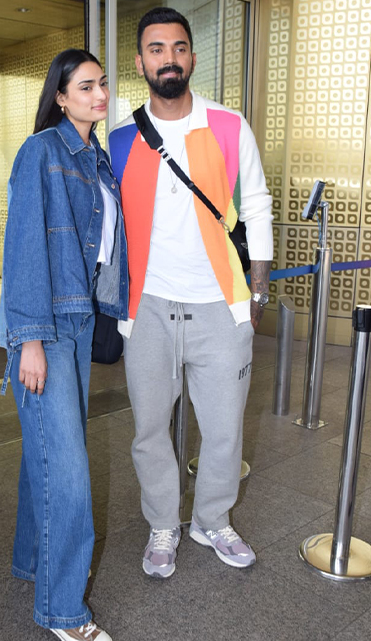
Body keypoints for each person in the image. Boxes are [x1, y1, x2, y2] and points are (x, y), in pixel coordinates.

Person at [109, 7, 272, 578]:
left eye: (178, 48)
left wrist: (256, 287)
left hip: (217, 303)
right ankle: (163, 525)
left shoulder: (228, 125)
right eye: (156, 49)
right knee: (150, 428)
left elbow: (255, 203)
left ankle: (212, 520)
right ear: (140, 62)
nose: (168, 59)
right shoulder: (121, 137)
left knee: (225, 428)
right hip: (148, 306)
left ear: (192, 58)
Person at [0, 48, 127, 641]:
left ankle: (32, 562)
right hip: (45, 327)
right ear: (60, 95)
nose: (99, 94)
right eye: (86, 86)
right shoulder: (43, 152)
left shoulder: (96, 157)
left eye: (102, 84)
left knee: (47, 456)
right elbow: (25, 247)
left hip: (77, 323)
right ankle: (62, 607)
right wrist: (28, 339)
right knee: (69, 473)